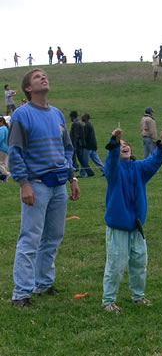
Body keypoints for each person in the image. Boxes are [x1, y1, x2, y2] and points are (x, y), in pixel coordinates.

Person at [8, 68, 80, 307]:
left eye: (45, 75)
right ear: (28, 88)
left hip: (59, 185)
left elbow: (67, 149)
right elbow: (15, 152)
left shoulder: (58, 114)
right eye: (37, 77)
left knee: (53, 237)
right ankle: (21, 293)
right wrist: (24, 183)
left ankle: (44, 283)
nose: (43, 77)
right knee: (30, 238)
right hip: (36, 185)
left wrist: (73, 178)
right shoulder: (22, 114)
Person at [101, 125, 162, 313]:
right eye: (120, 144)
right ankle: (108, 301)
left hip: (136, 226)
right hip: (118, 226)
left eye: (126, 144)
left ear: (131, 151)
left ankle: (138, 296)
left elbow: (154, 162)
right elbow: (112, 162)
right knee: (116, 263)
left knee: (140, 261)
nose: (124, 146)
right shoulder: (113, 171)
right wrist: (114, 143)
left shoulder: (139, 168)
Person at [69, 110, 94, 177]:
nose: (70, 119)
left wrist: (74, 146)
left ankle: (75, 169)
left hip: (77, 145)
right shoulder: (79, 122)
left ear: (73, 116)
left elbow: (76, 135)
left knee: (78, 159)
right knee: (81, 159)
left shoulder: (76, 123)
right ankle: (89, 172)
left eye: (70, 117)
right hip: (80, 144)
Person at [0, 117, 11, 181]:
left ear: (1, 122)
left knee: (0, 164)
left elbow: (0, 138)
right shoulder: (6, 129)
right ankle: (3, 178)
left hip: (1, 148)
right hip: (6, 148)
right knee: (3, 164)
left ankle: (6, 173)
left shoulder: (2, 129)